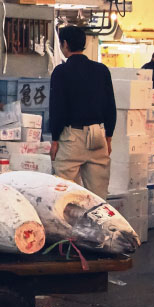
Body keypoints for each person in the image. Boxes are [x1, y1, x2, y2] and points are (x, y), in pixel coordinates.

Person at [48, 25, 116, 198]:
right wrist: (108, 137)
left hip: (72, 138)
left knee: (63, 195)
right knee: (99, 196)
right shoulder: (102, 70)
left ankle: (68, 226)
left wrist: (55, 139)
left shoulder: (61, 72)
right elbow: (110, 106)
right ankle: (100, 224)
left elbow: (57, 108)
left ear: (65, 44)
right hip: (98, 135)